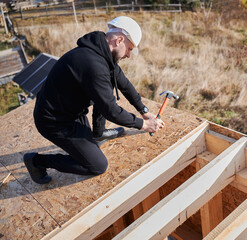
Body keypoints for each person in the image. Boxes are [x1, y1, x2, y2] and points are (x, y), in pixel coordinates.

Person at [23, 16, 164, 184]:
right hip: (54, 121)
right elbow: (110, 110)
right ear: (119, 40)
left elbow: (124, 84)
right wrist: (143, 124)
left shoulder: (101, 54)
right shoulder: (93, 65)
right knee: (97, 165)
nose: (128, 55)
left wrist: (144, 111)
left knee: (104, 90)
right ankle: (37, 161)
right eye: (129, 49)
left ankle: (98, 133)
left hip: (70, 112)